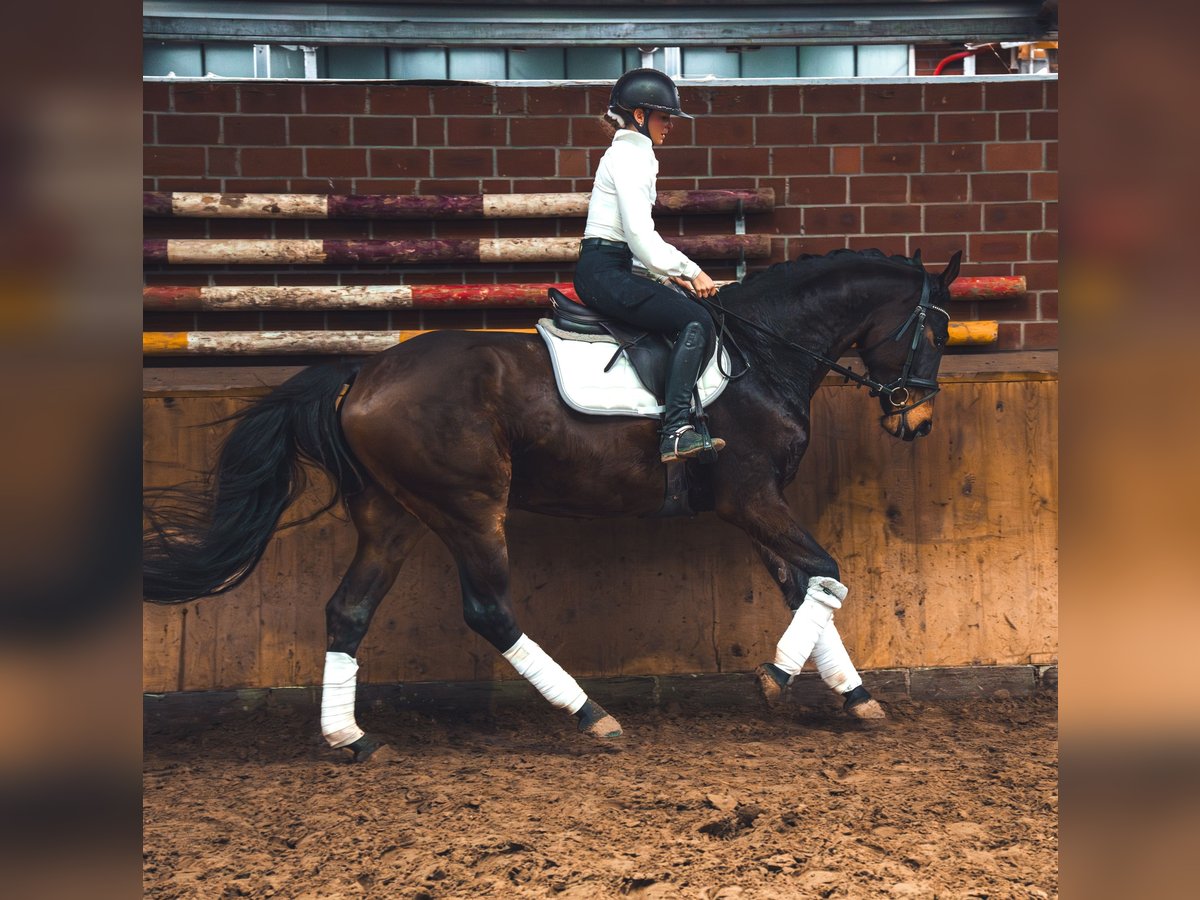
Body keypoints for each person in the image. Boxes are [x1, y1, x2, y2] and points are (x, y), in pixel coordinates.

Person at [573, 68, 726, 463]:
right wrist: (692, 270)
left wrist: (669, 272)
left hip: (613, 266)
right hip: (605, 271)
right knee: (696, 322)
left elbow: (635, 242)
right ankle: (675, 430)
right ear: (639, 116)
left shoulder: (631, 154)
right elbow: (640, 236)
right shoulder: (630, 157)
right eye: (664, 117)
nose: (670, 126)